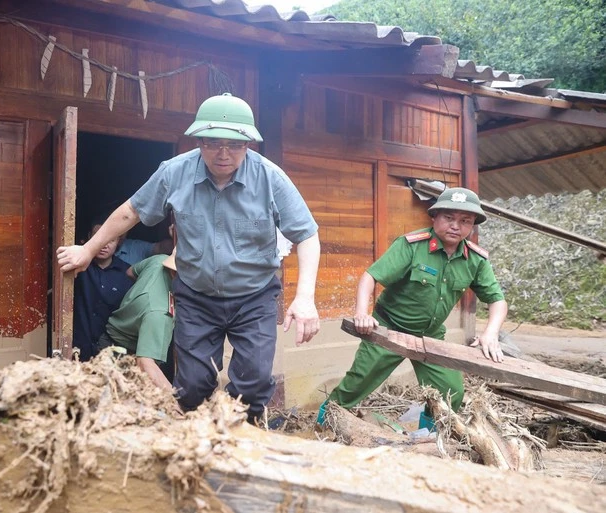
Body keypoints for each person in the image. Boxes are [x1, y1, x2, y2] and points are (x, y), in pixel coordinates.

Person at [57, 93, 321, 423]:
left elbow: (307, 235)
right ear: (198, 141)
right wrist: (88, 249)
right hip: (196, 296)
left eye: (234, 144)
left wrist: (305, 297)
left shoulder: (270, 179)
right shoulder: (174, 172)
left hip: (254, 297)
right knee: (192, 387)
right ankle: (200, 439)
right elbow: (131, 212)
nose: (223, 153)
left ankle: (237, 437)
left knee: (253, 383)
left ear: (248, 144)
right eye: (213, 143)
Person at [318, 187, 508, 427]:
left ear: (472, 226)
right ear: (434, 217)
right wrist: (362, 314)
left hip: (431, 335)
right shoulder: (411, 245)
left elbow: (497, 300)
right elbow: (370, 277)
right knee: (357, 384)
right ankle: (322, 425)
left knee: (451, 392)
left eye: (465, 221)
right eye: (449, 218)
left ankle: (427, 437)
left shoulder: (475, 260)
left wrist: (490, 333)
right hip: (389, 328)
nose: (455, 226)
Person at [98, 250, 178, 392]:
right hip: (123, 357)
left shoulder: (158, 260)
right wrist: (176, 400)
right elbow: (146, 364)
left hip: (108, 341)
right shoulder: (159, 313)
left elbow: (130, 272)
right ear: (175, 273)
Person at [72, 223, 133, 362]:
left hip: (110, 352)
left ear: (119, 241)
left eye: (111, 239)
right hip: (76, 348)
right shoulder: (77, 267)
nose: (104, 244)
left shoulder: (127, 274)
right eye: (100, 238)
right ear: (90, 238)